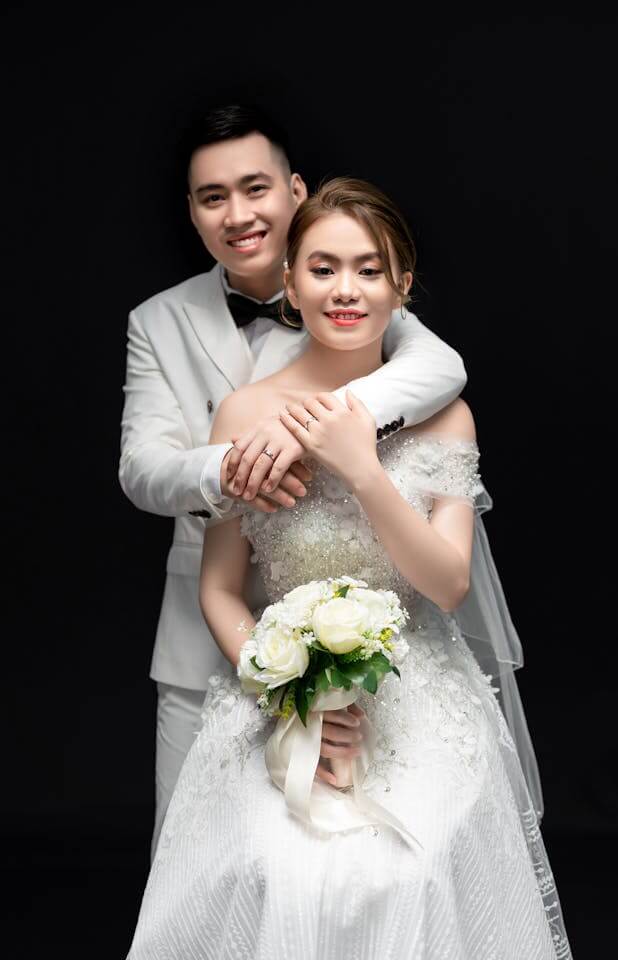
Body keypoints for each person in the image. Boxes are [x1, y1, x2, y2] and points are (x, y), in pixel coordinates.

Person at [127, 178, 572, 959]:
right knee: (281, 873)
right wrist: (284, 689)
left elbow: (449, 585)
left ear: (403, 285)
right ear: (291, 283)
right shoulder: (245, 413)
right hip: (279, 693)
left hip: (417, 696)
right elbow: (221, 589)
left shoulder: (448, 414)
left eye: (370, 270)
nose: (346, 289)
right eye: (323, 268)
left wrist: (362, 468)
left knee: (409, 873)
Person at [119, 105, 468, 859]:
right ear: (192, 210)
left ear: (295, 189)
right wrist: (234, 464)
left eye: (256, 188)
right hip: (213, 639)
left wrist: (324, 427)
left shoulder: (358, 295)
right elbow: (140, 470)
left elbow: (444, 368)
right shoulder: (157, 321)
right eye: (213, 197)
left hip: (383, 657)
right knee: (195, 864)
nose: (238, 214)